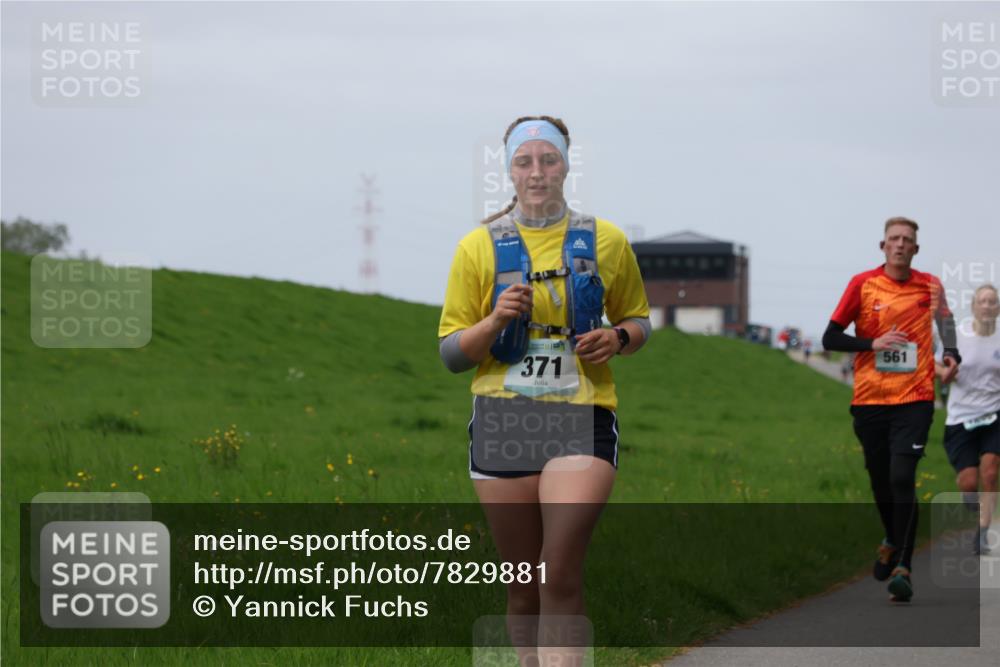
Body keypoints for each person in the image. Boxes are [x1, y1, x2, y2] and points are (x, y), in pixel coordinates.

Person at [438, 116, 651, 665]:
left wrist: (619, 336)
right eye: (524, 161)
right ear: (509, 170)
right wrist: (492, 322)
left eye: (548, 159)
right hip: (502, 419)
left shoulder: (605, 239)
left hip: (581, 417)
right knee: (523, 585)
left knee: (557, 568)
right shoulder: (477, 248)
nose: (537, 172)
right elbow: (451, 354)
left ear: (566, 164)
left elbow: (638, 320)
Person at [821, 216, 960, 603]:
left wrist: (950, 354)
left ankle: (904, 564)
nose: (900, 244)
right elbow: (830, 336)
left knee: (902, 477)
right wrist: (872, 343)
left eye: (907, 240)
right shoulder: (862, 284)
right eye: (893, 239)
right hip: (869, 400)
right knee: (881, 481)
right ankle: (892, 538)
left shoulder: (930, 285)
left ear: (916, 249)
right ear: (882, 247)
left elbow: (946, 324)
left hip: (915, 397)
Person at [936, 284, 1000, 555]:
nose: (987, 305)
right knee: (969, 482)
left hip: (994, 414)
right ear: (973, 306)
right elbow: (935, 363)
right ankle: (972, 500)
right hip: (961, 418)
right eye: (982, 301)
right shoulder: (957, 336)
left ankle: (983, 533)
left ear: (997, 309)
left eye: (992, 302)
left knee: (990, 473)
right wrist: (943, 374)